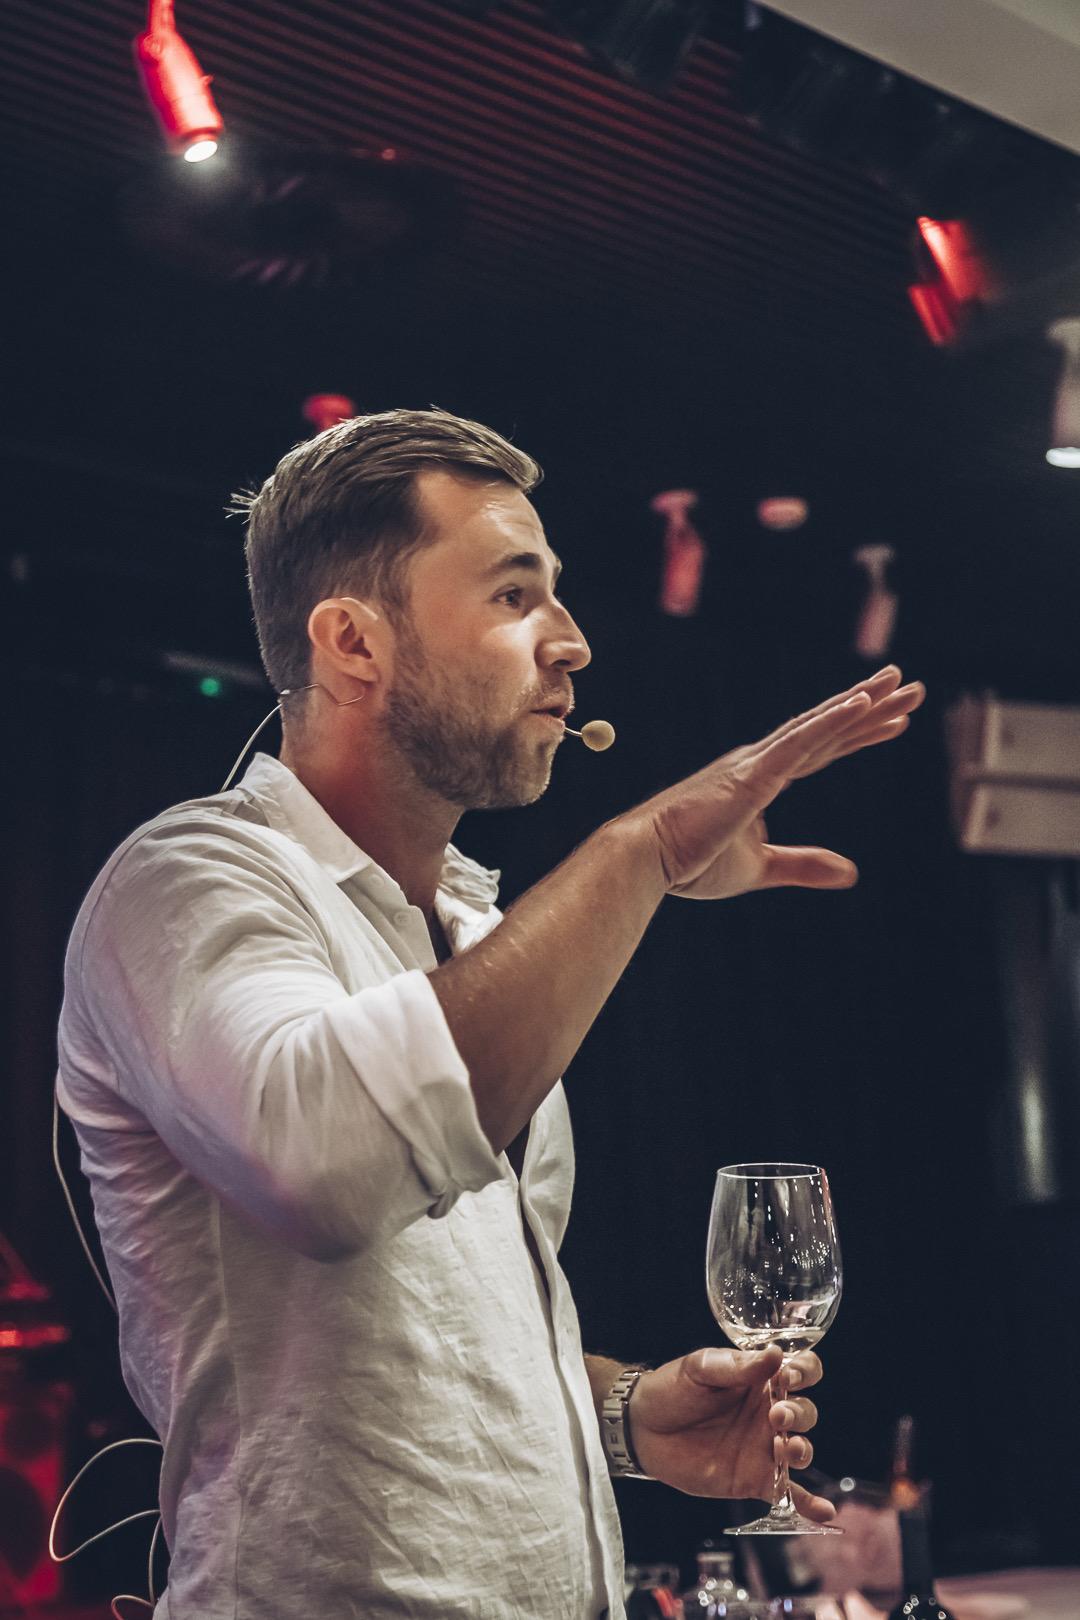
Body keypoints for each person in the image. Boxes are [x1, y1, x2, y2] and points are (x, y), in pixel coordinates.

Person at [57, 408, 925, 1620]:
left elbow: (417, 1346)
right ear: (354, 644)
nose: (571, 642)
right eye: (516, 597)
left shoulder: (471, 930)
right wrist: (646, 849)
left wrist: (619, 1412)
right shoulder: (189, 880)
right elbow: (329, 1165)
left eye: (558, 597)